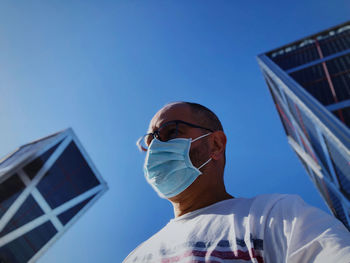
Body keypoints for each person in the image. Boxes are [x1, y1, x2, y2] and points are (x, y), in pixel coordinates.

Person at [124, 101, 350, 263]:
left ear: (216, 145)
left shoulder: (277, 216)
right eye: (150, 140)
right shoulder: (135, 257)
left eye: (170, 132)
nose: (155, 148)